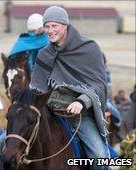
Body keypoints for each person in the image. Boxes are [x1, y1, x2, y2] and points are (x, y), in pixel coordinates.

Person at [30, 6, 110, 169]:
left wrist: (81, 102)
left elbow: (99, 84)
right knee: (5, 143)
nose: (50, 30)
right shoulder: (44, 54)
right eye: (47, 26)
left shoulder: (89, 48)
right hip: (48, 112)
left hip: (80, 115)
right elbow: (36, 89)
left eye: (54, 26)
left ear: (65, 25)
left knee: (100, 157)